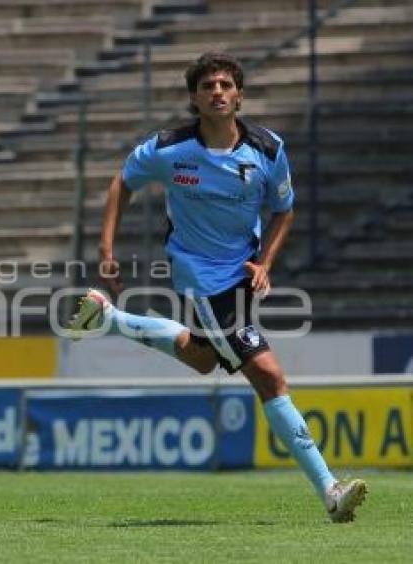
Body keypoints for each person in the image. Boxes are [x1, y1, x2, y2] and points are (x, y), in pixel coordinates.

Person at [69, 52, 366, 523]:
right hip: (201, 276)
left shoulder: (268, 151)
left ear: (240, 95)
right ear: (194, 98)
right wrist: (106, 253)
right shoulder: (169, 150)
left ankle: (108, 318)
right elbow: (121, 184)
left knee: (205, 358)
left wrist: (265, 262)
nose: (218, 92)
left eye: (227, 84)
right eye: (208, 86)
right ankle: (330, 490)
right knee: (268, 375)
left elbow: (283, 210)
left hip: (240, 274)